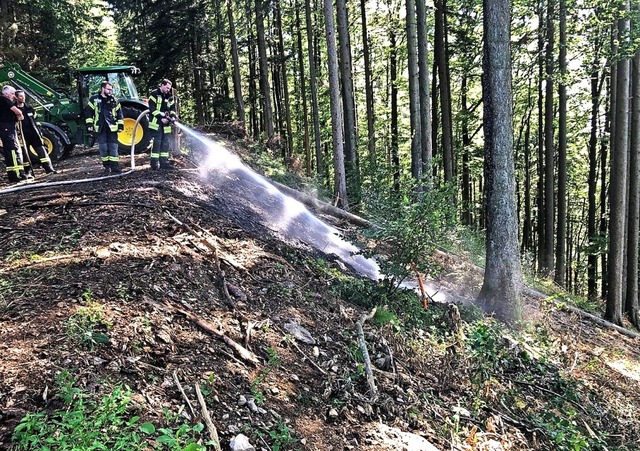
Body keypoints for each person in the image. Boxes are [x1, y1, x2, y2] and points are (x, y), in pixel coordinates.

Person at [84, 81, 124, 174]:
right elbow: (88, 112)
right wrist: (89, 125)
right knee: (103, 148)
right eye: (108, 89)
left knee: (113, 147)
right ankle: (106, 167)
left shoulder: (114, 100)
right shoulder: (94, 99)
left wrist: (120, 125)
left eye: (111, 89)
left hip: (112, 128)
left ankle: (115, 167)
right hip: (100, 127)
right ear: (102, 89)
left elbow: (120, 114)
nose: (110, 91)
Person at [15, 90, 56, 175]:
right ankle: (28, 172)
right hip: (22, 135)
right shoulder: (14, 109)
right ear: (16, 97)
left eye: (24, 96)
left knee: (42, 151)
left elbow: (35, 120)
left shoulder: (29, 108)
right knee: (25, 154)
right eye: (21, 96)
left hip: (34, 134)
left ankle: (49, 169)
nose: (23, 98)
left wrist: (39, 132)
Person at [148, 79, 177, 170]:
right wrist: (162, 118)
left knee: (165, 143)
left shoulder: (169, 96)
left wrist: (172, 116)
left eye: (169, 88)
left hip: (166, 125)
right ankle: (154, 164)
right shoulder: (154, 94)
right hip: (156, 123)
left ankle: (164, 163)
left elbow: (173, 108)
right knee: (157, 143)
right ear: (162, 85)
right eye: (167, 87)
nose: (168, 90)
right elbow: (152, 109)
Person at [0, 85, 26, 183]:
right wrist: (20, 114)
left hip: (6, 127)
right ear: (6, 94)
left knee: (10, 150)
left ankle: (13, 175)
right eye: (12, 94)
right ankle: (17, 174)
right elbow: (16, 110)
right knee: (13, 149)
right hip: (7, 128)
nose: (14, 96)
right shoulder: (4, 99)